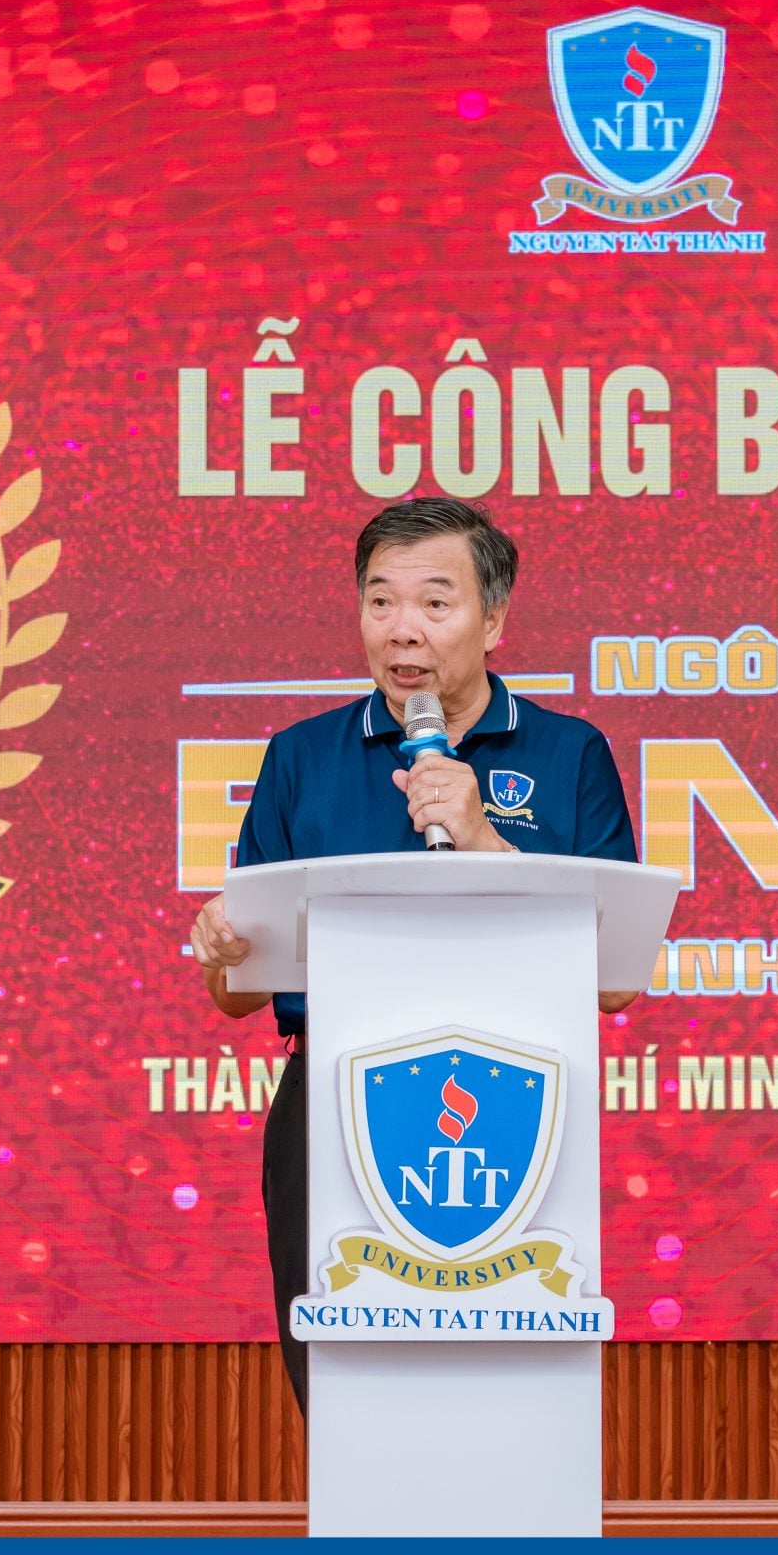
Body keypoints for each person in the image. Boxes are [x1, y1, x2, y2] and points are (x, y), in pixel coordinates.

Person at [185, 498, 642, 1411]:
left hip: (516, 1095)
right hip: (333, 1096)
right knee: (343, 1375)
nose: (403, 629)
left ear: (493, 620)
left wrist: (481, 838)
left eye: (435, 603)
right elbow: (237, 993)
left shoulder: (570, 754)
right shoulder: (300, 759)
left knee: (504, 1382)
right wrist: (221, 952)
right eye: (380, 601)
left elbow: (615, 979)